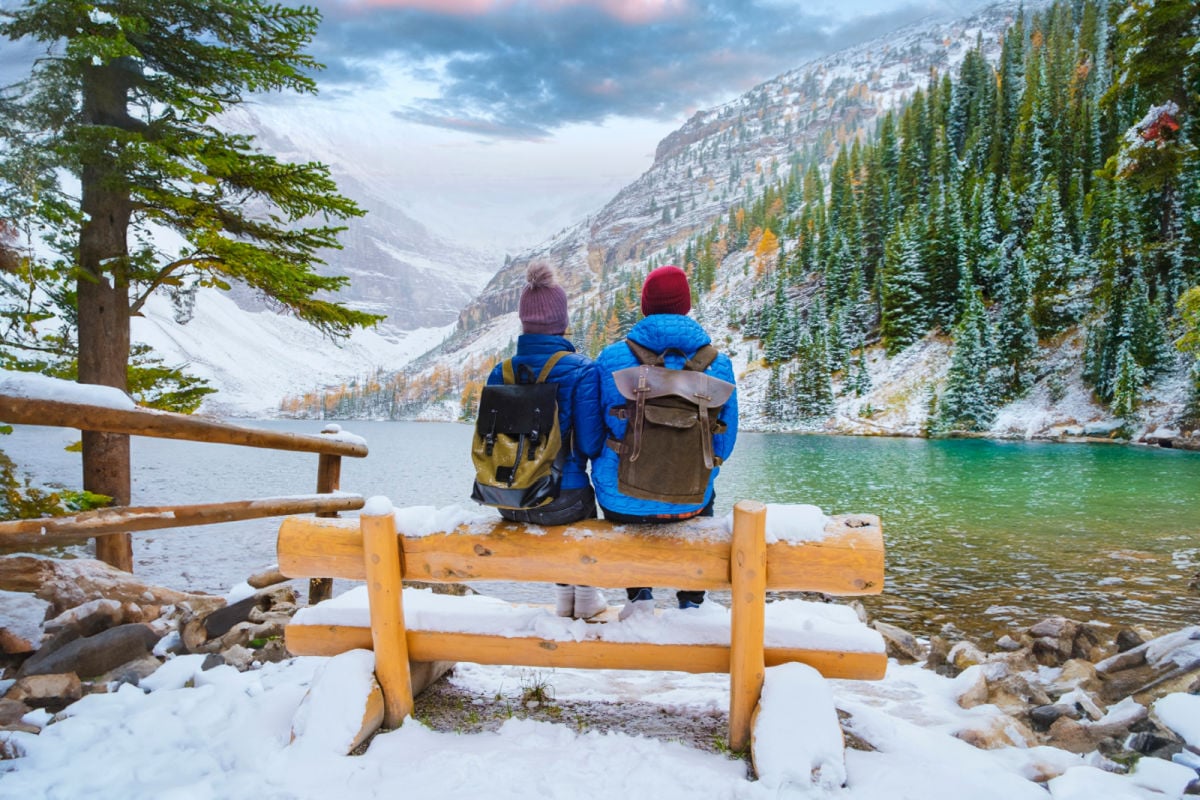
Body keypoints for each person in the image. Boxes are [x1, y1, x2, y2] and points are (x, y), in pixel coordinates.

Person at [592, 264, 738, 619]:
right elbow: (725, 443)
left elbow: (593, 433)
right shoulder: (718, 364)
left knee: (618, 490)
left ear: (645, 306)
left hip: (621, 503)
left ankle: (640, 597)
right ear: (686, 306)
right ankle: (692, 601)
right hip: (690, 500)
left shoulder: (611, 358)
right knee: (704, 496)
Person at [484, 262, 607, 620]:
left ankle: (564, 599)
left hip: (509, 499)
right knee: (578, 505)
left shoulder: (500, 371)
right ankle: (584, 597)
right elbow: (588, 444)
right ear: (561, 321)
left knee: (558, 508)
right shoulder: (581, 369)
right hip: (561, 500)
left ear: (523, 323)